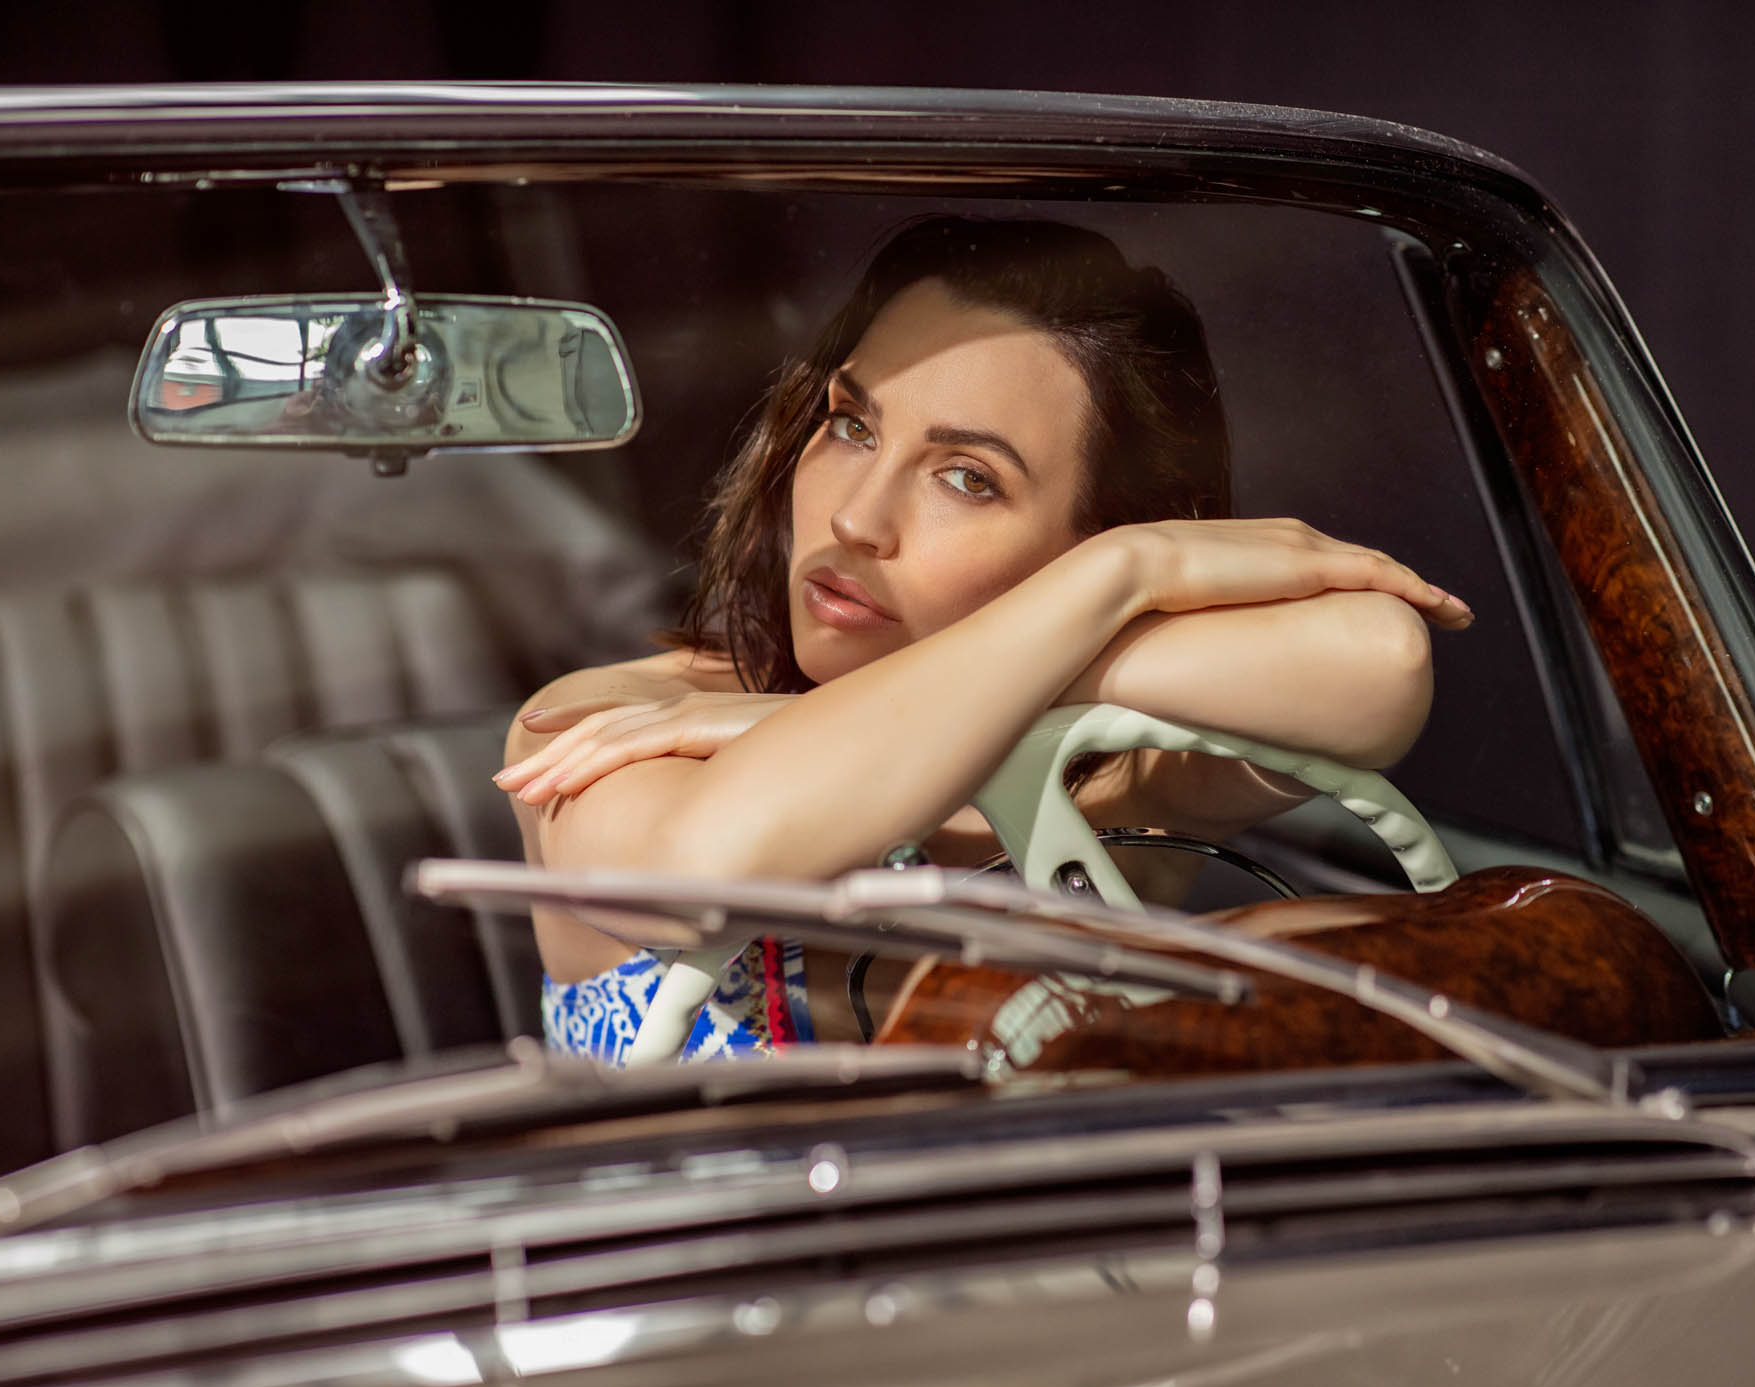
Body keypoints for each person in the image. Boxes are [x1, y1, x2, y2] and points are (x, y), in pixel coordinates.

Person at [495, 217, 1472, 1063]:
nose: (857, 520)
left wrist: (1121, 575)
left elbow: (1376, 661)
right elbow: (698, 865)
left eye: (968, 477)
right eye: (849, 426)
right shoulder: (599, 726)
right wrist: (1108, 594)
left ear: (1090, 538)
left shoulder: (1111, 774)